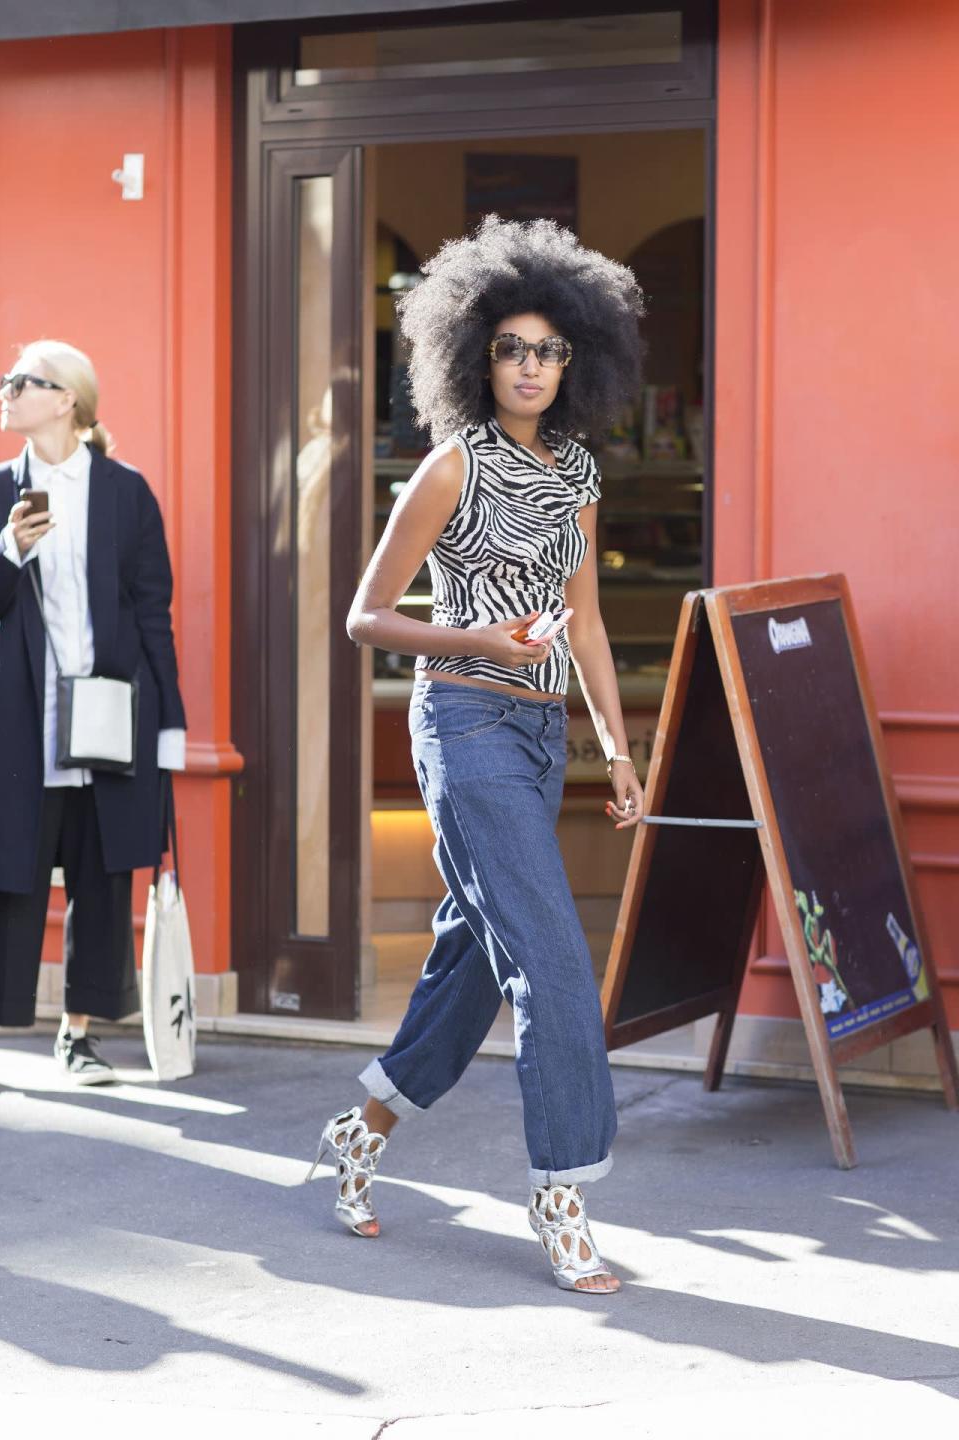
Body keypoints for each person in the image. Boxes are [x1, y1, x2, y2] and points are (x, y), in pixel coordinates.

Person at [310, 216, 646, 1295]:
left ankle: (359, 1133)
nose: (532, 367)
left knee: (466, 965)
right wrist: (476, 638)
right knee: (553, 964)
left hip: (543, 738)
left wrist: (617, 747)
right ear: (477, 356)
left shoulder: (581, 473)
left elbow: (585, 623)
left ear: (576, 361)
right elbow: (367, 617)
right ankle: (563, 1198)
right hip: (461, 722)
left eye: (550, 350)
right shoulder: (452, 468)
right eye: (512, 348)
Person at [0, 340, 186, 1082]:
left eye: (22, 381)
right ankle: (11, 1018)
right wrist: (7, 551)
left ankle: (78, 1034)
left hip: (110, 711)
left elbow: (153, 612)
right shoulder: (2, 487)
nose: (6, 390)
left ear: (66, 400)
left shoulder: (123, 491)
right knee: (12, 871)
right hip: (21, 720)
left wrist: (169, 720)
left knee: (100, 877)